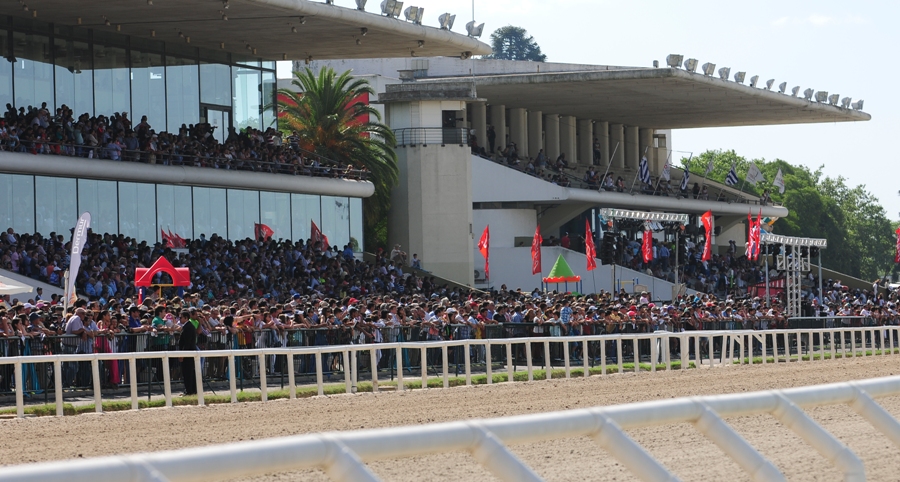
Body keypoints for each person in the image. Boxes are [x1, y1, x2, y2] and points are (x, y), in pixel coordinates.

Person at [179, 309, 199, 396]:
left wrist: (183, 354)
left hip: (188, 353)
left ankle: (189, 391)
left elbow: (187, 342)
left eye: (181, 317)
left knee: (188, 372)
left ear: (186, 318)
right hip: (190, 352)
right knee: (190, 372)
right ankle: (192, 390)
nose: (180, 319)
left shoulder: (188, 327)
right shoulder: (188, 326)